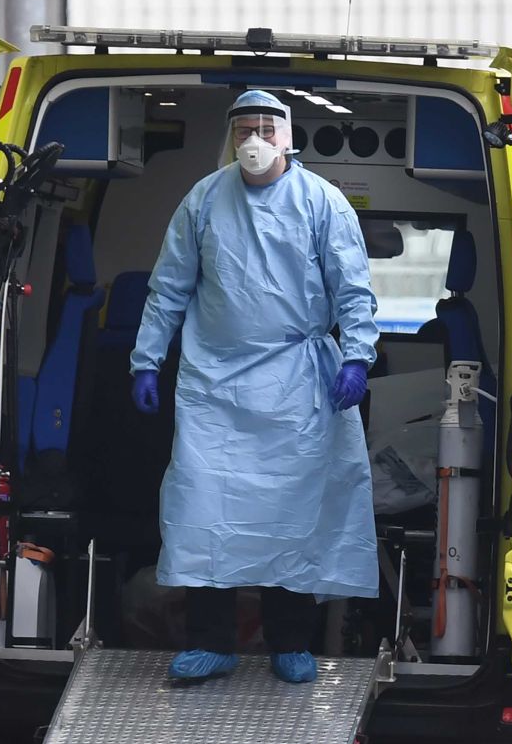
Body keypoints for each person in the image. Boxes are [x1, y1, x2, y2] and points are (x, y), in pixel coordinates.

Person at [129, 89, 379, 684]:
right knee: (204, 508)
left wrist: (357, 358)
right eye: (244, 128)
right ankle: (211, 641)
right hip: (214, 383)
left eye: (267, 127)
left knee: (291, 515)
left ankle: (289, 641)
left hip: (297, 385)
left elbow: (353, 290)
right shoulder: (204, 200)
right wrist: (146, 359)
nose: (255, 140)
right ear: (230, 135)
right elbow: (169, 288)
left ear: (288, 136)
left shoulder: (322, 202)